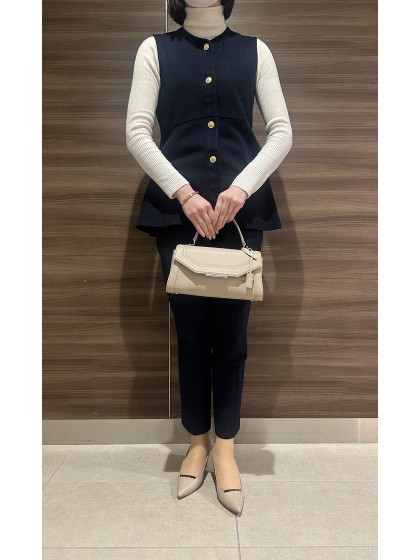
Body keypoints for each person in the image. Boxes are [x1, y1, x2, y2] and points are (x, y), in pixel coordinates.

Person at [126, 0, 293, 515]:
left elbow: (282, 130)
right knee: (192, 336)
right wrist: (184, 192)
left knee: (233, 338)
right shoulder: (154, 50)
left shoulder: (255, 51)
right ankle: (196, 442)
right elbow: (136, 131)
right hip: (179, 215)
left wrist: (242, 187)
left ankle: (225, 448)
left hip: (240, 215)